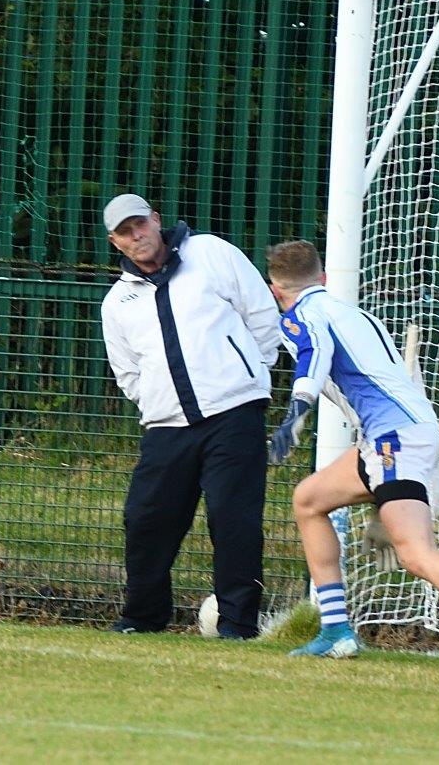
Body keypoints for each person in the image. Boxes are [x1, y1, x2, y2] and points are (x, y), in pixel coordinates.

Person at [264, 240, 439, 670]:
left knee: (414, 551)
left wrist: (295, 414)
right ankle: (335, 631)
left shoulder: (302, 317)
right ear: (324, 278)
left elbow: (314, 357)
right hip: (395, 435)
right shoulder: (356, 313)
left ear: (276, 291)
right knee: (309, 500)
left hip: (393, 438)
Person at [100, 193, 281, 639]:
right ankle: (143, 618)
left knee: (233, 518)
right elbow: (128, 372)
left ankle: (239, 624)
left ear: (156, 221)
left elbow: (260, 314)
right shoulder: (116, 303)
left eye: (140, 224)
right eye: (125, 231)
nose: (136, 235)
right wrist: (159, 402)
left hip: (234, 412)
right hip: (166, 427)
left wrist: (249, 375)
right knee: (145, 519)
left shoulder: (212, 253)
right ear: (115, 242)